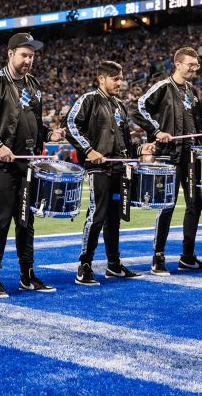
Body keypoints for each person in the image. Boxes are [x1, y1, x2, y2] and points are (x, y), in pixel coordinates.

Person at [0, 32, 66, 297]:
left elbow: (33, 120)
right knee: (1, 221)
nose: (28, 60)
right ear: (10, 54)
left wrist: (48, 134)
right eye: (24, 55)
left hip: (27, 164)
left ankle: (27, 275)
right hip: (2, 164)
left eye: (31, 56)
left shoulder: (33, 84)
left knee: (26, 221)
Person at [130, 47, 202, 276]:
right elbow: (138, 109)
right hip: (170, 156)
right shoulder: (163, 87)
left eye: (197, 65)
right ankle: (158, 257)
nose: (195, 69)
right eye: (191, 65)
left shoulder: (193, 92)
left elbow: (199, 126)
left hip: (191, 156)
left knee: (195, 204)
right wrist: (156, 131)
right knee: (167, 205)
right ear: (177, 64)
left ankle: (187, 256)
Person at [65, 61, 156, 284]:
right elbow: (70, 126)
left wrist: (139, 149)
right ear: (102, 79)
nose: (120, 82)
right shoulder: (89, 99)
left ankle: (114, 264)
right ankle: (84, 265)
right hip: (99, 168)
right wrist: (89, 150)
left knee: (114, 218)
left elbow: (126, 143)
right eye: (115, 78)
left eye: (121, 78)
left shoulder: (119, 105)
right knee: (97, 215)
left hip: (119, 168)